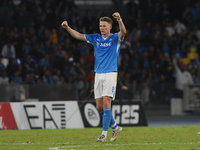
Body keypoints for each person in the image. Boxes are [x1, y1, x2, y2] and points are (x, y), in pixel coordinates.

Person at [61, 12, 126, 142]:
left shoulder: (115, 38)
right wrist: (67, 28)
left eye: (104, 26)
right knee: (99, 107)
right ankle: (115, 127)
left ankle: (103, 134)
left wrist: (119, 20)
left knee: (107, 102)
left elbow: (123, 32)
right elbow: (79, 36)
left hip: (110, 74)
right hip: (98, 75)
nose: (102, 28)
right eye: (100, 25)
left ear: (110, 27)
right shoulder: (95, 38)